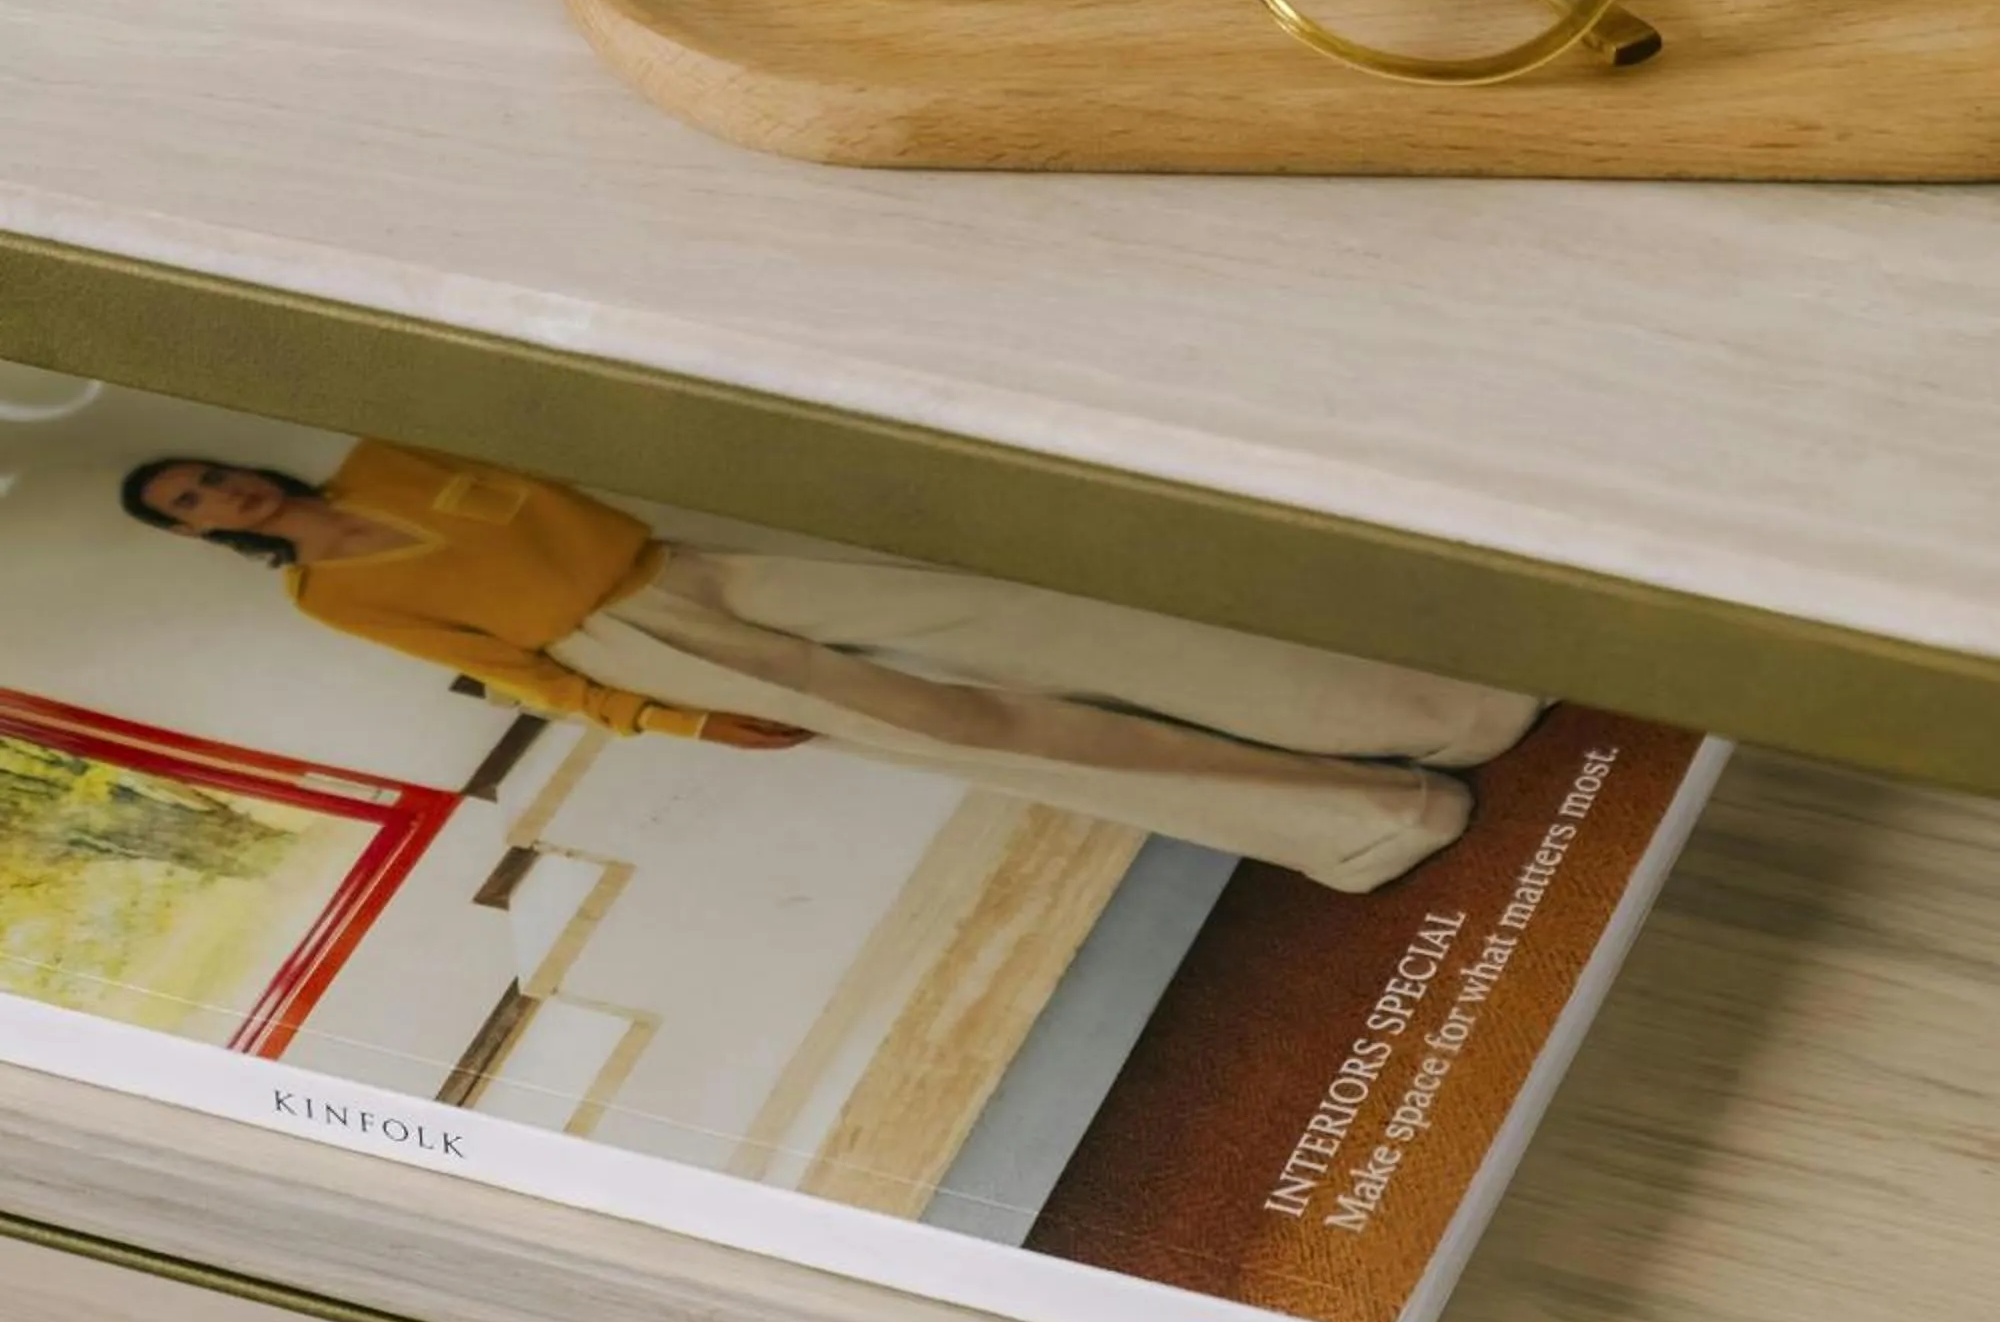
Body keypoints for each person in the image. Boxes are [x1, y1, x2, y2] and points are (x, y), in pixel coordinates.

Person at [120, 444, 1542, 894]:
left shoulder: (387, 453)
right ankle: (1370, 814)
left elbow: (557, 469)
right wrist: (675, 716)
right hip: (622, 643)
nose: (214, 498)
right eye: (185, 511)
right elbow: (521, 677)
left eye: (203, 479)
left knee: (1058, 628)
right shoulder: (326, 599)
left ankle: (1439, 709)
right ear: (195, 540)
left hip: (700, 552)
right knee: (994, 732)